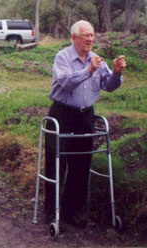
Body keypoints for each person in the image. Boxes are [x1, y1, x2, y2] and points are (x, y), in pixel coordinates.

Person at [44, 20, 126, 228]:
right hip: (62, 115)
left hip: (85, 117)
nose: (90, 39)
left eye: (92, 35)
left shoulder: (97, 59)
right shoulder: (63, 57)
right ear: (74, 38)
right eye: (85, 35)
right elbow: (66, 83)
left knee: (81, 165)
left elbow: (108, 85)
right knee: (56, 164)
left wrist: (116, 73)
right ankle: (52, 213)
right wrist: (88, 71)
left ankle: (72, 212)